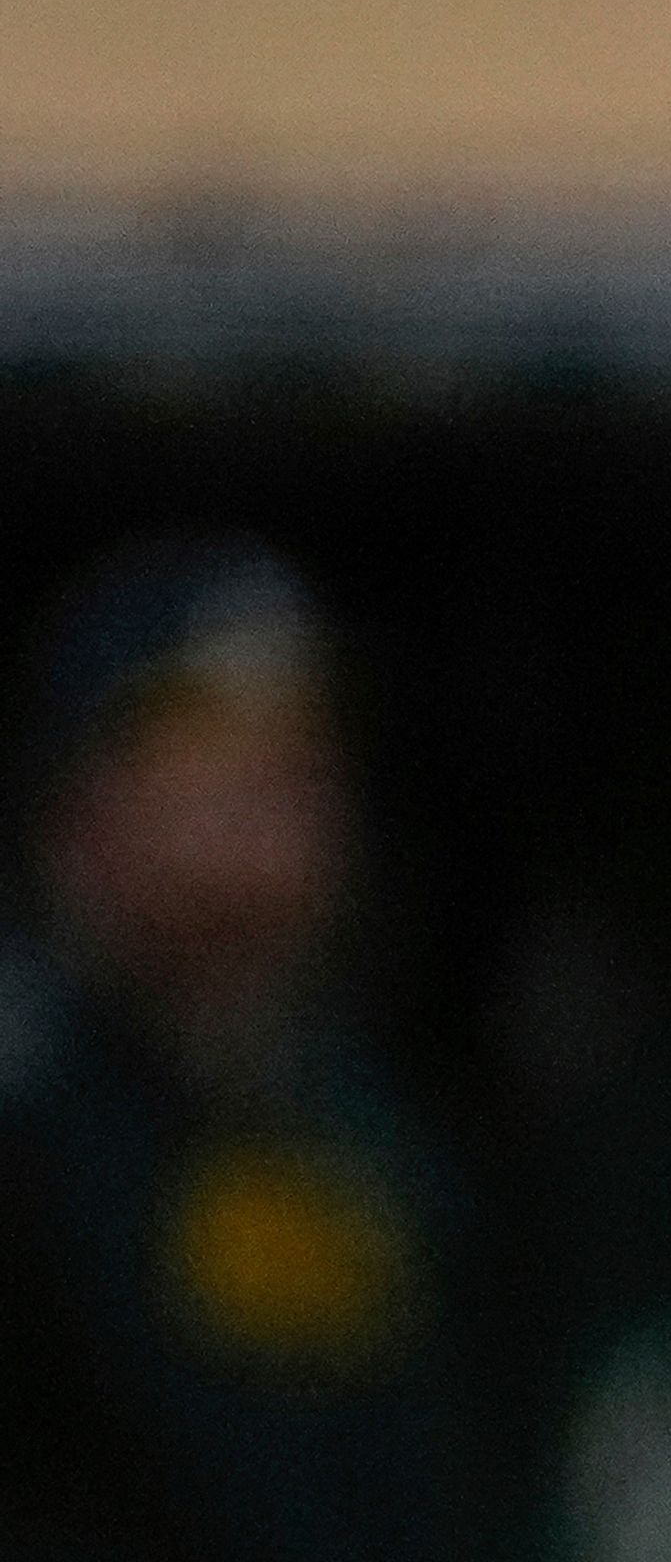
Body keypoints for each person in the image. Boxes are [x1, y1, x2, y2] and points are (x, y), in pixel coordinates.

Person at [0, 538, 477, 1562]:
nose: (266, 834)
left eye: (298, 774)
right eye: (208, 774)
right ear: (83, 815)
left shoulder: (365, 1136)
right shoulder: (31, 1115)